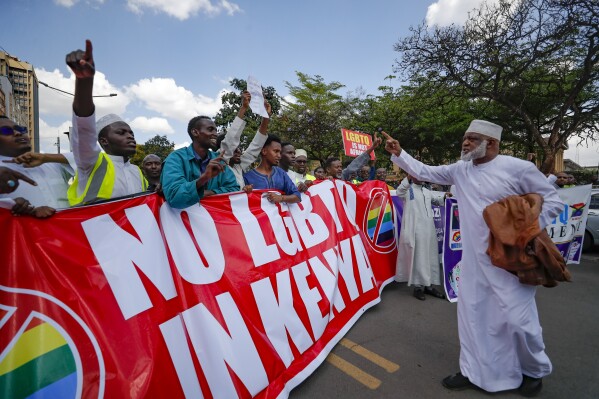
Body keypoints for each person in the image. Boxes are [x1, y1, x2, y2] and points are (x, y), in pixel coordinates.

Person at [382, 120, 564, 397]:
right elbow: (425, 171)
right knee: (474, 320)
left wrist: (526, 230)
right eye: (465, 138)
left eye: (472, 139)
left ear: (491, 143)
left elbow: (552, 201)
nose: (465, 143)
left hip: (511, 262)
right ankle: (474, 372)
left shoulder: (518, 168)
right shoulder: (460, 170)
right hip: (473, 264)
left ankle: (533, 370)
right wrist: (399, 152)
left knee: (519, 321)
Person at [66, 40, 148, 206]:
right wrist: (84, 82)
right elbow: (83, 129)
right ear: (104, 141)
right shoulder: (90, 162)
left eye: (131, 133)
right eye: (121, 133)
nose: (130, 137)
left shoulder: (137, 171)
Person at [0, 116, 75, 218]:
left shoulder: (50, 163)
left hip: (67, 231)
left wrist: (46, 157)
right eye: (6, 131)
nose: (18, 133)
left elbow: (88, 159)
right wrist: (9, 206)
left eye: (20, 129)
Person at [161, 115, 239, 209]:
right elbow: (174, 198)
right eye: (210, 129)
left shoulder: (219, 160)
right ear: (195, 132)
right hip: (183, 221)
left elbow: (234, 190)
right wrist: (203, 179)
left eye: (215, 130)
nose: (216, 134)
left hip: (215, 220)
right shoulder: (175, 158)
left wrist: (209, 193)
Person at [395, 175, 446, 300]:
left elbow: (438, 199)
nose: (421, 177)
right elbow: (399, 192)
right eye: (418, 174)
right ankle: (418, 287)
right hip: (416, 231)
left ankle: (429, 286)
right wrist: (408, 177)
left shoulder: (427, 191)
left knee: (431, 257)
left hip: (429, 230)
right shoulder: (408, 190)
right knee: (419, 258)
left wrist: (446, 197)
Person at [216, 92, 272, 189]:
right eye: (234, 149)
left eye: (239, 148)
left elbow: (256, 146)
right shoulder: (219, 164)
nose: (239, 151)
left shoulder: (239, 166)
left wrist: (266, 117)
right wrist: (244, 108)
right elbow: (231, 139)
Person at [243, 134, 301, 204]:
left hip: (282, 215)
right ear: (264, 151)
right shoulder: (248, 177)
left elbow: (297, 196)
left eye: (280, 152)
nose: (279, 156)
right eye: (276, 151)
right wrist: (245, 192)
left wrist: (281, 198)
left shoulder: (281, 173)